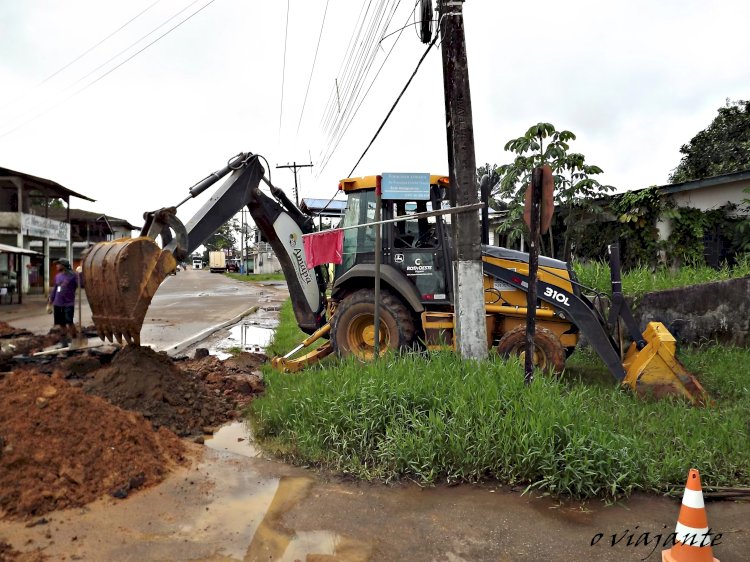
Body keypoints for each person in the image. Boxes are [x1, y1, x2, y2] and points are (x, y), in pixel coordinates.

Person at [46, 258, 78, 347]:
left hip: (68, 303)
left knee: (69, 322)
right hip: (58, 303)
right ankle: (64, 343)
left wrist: (81, 274)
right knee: (61, 323)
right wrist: (49, 303)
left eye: (58, 264)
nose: (56, 266)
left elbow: (81, 284)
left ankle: (75, 340)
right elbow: (55, 290)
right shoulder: (58, 276)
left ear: (63, 266)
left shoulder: (73, 276)